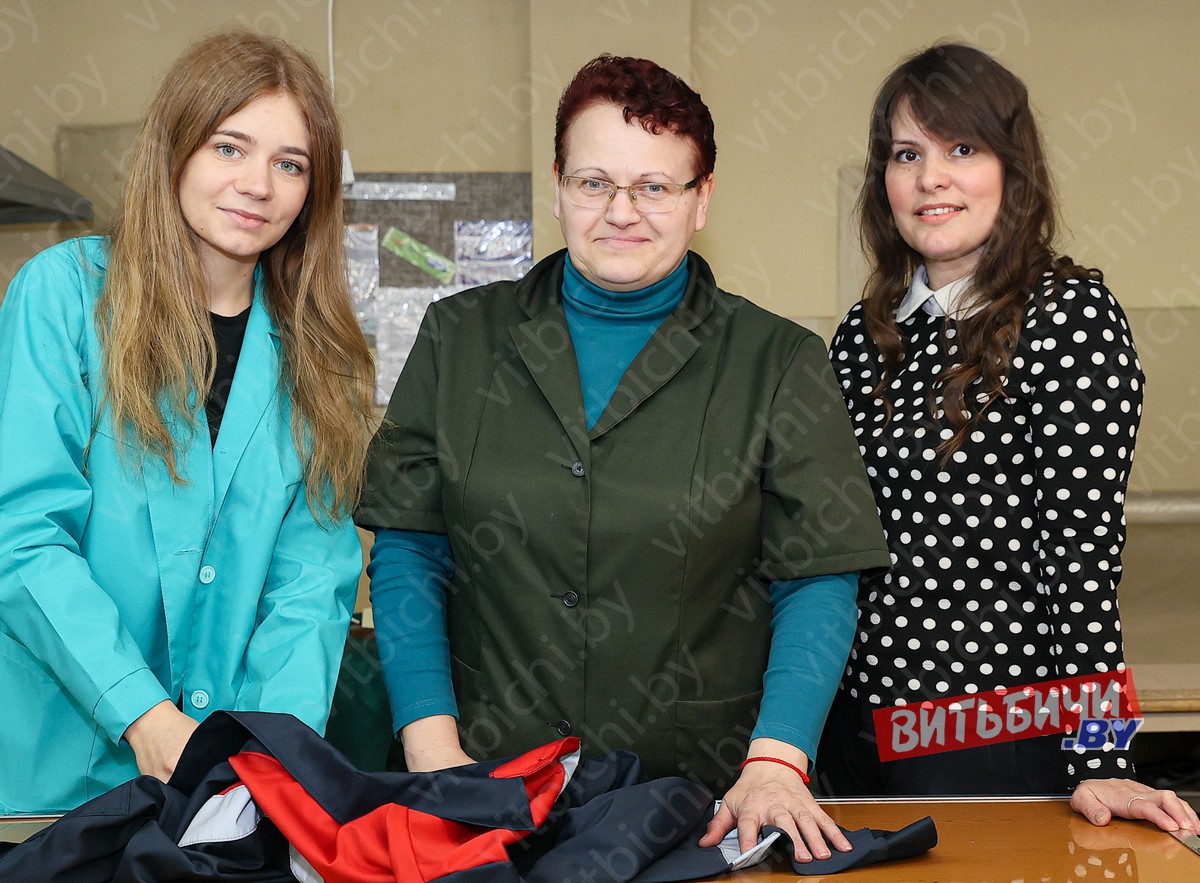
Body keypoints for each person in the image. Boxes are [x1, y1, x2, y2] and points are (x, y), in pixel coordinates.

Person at [357, 54, 892, 861]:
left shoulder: (777, 361)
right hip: (487, 797)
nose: (621, 211)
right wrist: (435, 754)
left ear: (701, 198)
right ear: (558, 185)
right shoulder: (456, 339)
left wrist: (777, 758)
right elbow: (409, 552)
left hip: (702, 803)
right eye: (594, 182)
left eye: (654, 186)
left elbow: (816, 579)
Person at [820, 43, 1199, 834]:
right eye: (906, 154)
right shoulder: (864, 332)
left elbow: (1082, 554)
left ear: (1012, 169)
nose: (931, 177)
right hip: (851, 731)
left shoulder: (1069, 317)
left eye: (962, 148)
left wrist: (1103, 754)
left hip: (987, 733)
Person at [0, 30, 374, 814]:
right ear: (174, 148)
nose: (258, 185)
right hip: (48, 790)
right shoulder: (64, 295)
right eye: (228, 147)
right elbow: (23, 535)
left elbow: (310, 586)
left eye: (290, 164)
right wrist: (144, 712)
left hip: (226, 798)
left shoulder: (320, 355)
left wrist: (272, 758)